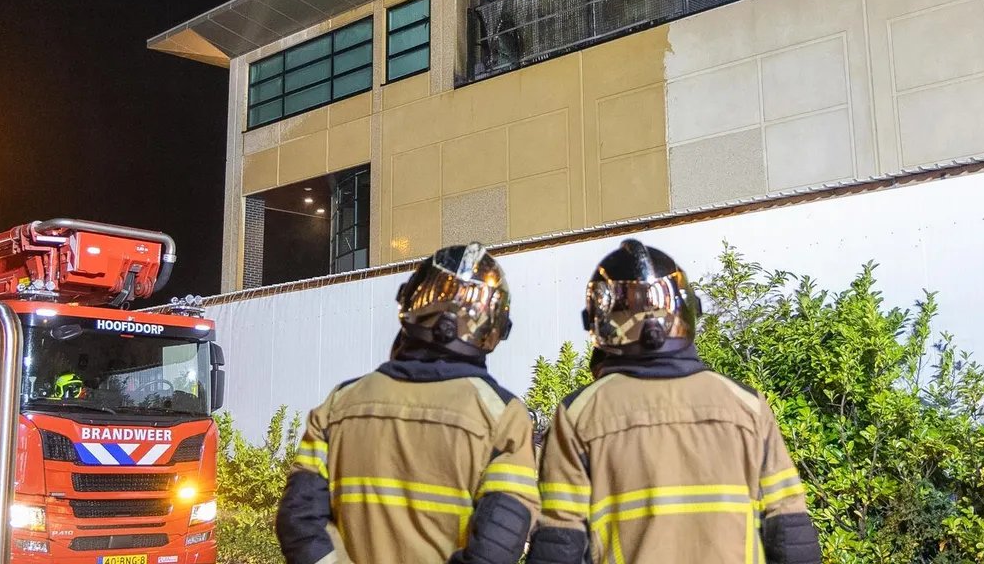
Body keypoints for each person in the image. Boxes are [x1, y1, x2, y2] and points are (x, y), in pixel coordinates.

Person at [527, 239, 821, 564]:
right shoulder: (747, 405)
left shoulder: (579, 414)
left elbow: (559, 544)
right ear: (686, 311)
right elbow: (790, 532)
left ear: (601, 322)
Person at [276, 242, 538, 564]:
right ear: (494, 328)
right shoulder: (502, 416)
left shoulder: (338, 405)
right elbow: (499, 540)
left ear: (410, 304)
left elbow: (299, 520)